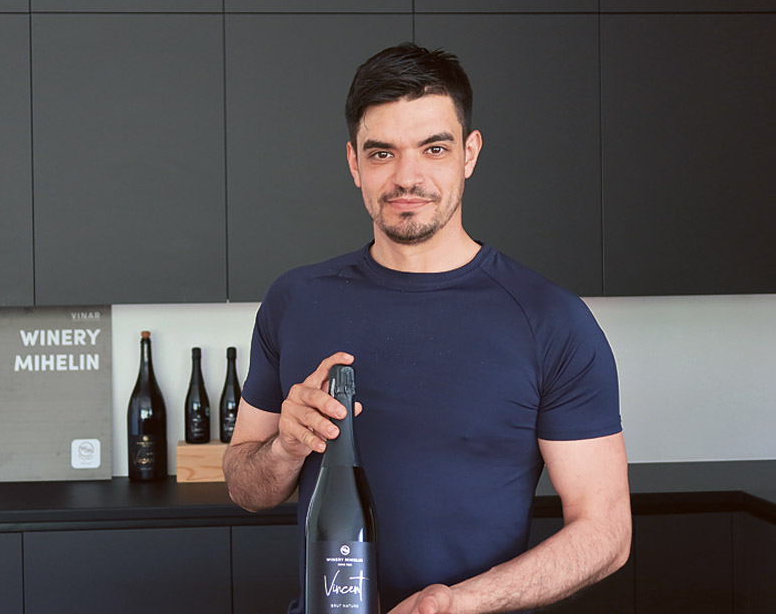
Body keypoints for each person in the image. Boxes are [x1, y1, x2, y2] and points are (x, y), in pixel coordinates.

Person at [223, 42, 631, 614]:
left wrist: (459, 603)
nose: (406, 177)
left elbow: (606, 531)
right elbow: (245, 487)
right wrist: (286, 449)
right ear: (354, 163)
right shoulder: (295, 300)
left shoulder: (551, 320)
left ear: (469, 154)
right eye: (382, 153)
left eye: (434, 148)